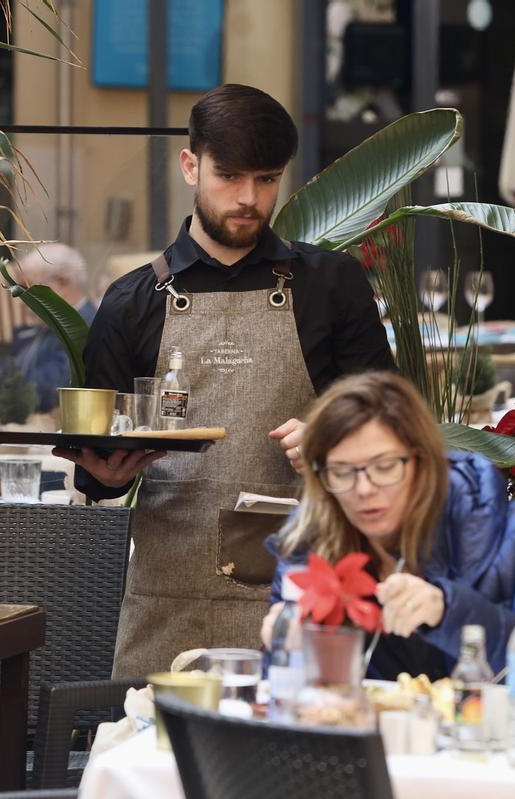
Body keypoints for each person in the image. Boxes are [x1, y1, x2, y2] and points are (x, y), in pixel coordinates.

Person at [60, 84, 395, 678]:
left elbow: (390, 427)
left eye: (266, 179)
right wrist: (105, 475)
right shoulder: (130, 301)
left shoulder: (332, 285)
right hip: (169, 597)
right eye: (230, 177)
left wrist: (331, 434)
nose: (248, 198)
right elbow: (98, 471)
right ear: (190, 165)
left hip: (305, 591)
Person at [262, 371, 515, 678]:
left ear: (423, 462)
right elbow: (284, 701)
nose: (364, 489)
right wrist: (286, 649)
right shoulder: (309, 544)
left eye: (384, 467)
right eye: (342, 471)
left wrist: (448, 612)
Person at [0, 242, 95, 417]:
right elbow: (16, 375)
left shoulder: (83, 329)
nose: (18, 296)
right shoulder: (41, 327)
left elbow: (48, 391)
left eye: (27, 286)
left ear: (62, 283)